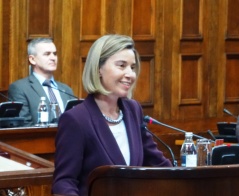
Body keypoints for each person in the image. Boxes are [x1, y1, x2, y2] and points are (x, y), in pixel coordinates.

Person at [52, 34, 173, 196]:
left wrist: (187, 181)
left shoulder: (133, 110)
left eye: (132, 67)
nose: (130, 74)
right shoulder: (76, 119)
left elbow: (157, 163)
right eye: (122, 66)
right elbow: (64, 182)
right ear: (98, 69)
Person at [8, 38, 75, 126]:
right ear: (32, 59)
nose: (53, 58)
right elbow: (24, 125)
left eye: (54, 54)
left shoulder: (66, 90)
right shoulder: (20, 88)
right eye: (47, 54)